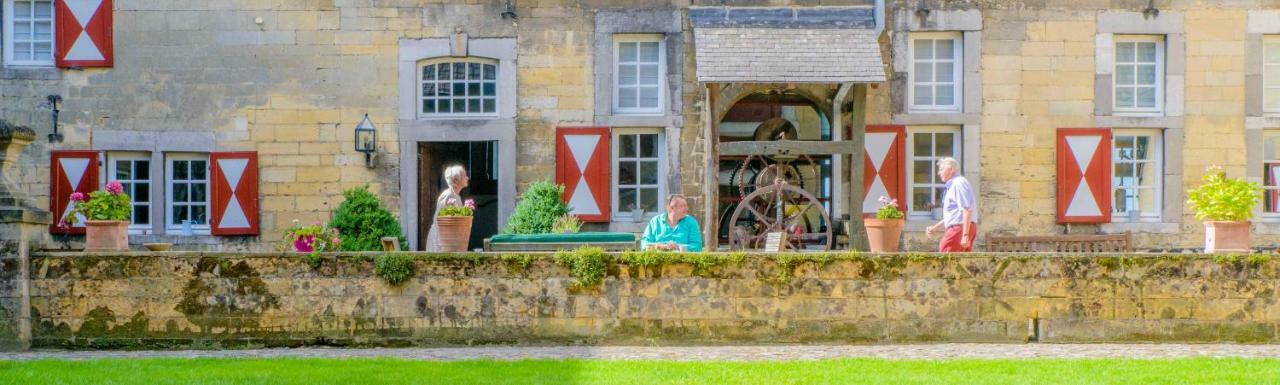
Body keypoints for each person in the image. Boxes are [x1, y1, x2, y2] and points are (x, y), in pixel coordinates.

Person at [926, 157, 977, 252]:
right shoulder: (955, 184)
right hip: (961, 227)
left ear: (951, 169)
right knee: (958, 263)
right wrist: (935, 227)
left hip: (959, 228)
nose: (938, 173)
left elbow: (967, 209)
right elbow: (955, 213)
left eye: (941, 169)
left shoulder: (958, 183)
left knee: (946, 256)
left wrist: (965, 235)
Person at [424, 165, 469, 252]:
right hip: (441, 242)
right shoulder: (448, 195)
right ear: (456, 180)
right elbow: (439, 219)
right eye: (464, 175)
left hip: (450, 241)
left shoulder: (456, 196)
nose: (467, 178)